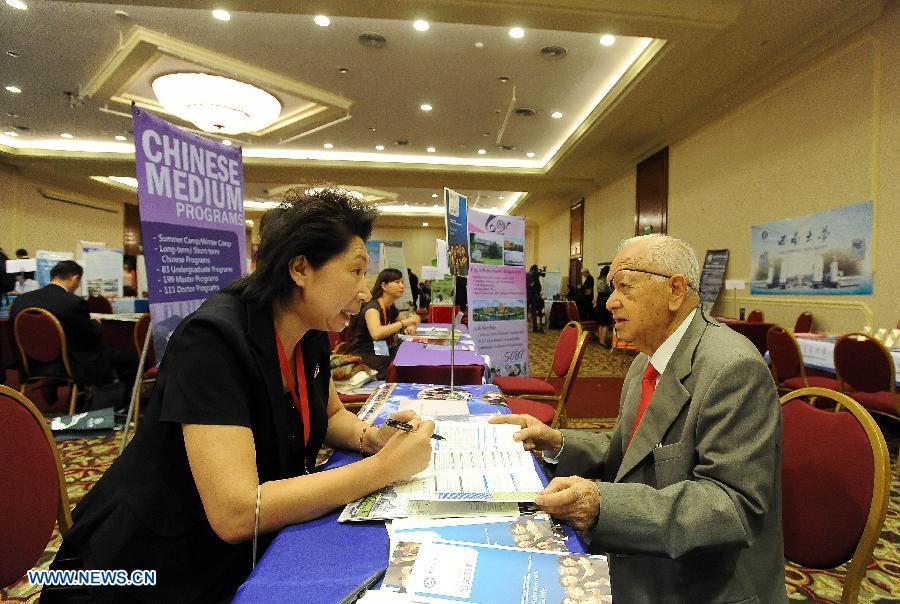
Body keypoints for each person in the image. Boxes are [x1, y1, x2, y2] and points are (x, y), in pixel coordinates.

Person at [43, 188, 435, 602]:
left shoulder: (311, 330)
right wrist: (381, 470)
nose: (363, 290)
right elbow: (235, 512)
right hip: (146, 565)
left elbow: (329, 416)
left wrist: (371, 439)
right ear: (300, 268)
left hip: (239, 553)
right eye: (355, 271)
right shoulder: (213, 339)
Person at [491, 234, 786, 603]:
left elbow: (732, 506)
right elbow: (632, 448)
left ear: (675, 291)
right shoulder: (647, 360)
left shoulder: (733, 368)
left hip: (698, 581)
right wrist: (557, 441)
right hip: (644, 552)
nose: (610, 302)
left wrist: (602, 505)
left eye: (625, 287)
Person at [10, 260, 138, 400]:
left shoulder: (21, 301)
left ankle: (72, 394)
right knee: (129, 358)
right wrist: (96, 323)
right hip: (70, 364)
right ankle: (122, 403)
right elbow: (91, 335)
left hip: (32, 363)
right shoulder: (73, 303)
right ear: (75, 278)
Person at [346, 267, 422, 380]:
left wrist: (410, 325)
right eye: (397, 282)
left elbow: (411, 320)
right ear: (384, 286)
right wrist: (404, 322)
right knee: (403, 354)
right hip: (364, 355)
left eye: (402, 282)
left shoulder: (390, 305)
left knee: (407, 346)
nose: (402, 286)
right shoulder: (373, 307)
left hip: (379, 351)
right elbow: (376, 333)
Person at [526, 264, 546, 333]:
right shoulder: (533, 275)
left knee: (527, 312)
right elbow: (543, 275)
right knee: (532, 312)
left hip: (528, 296)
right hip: (533, 296)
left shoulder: (527, 275)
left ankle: (524, 327)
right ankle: (534, 328)